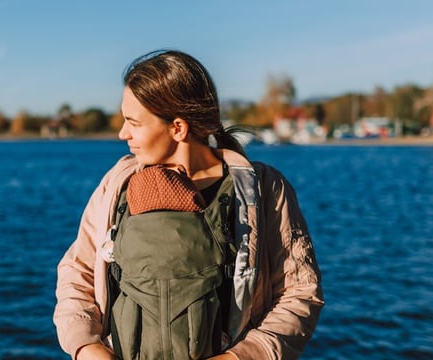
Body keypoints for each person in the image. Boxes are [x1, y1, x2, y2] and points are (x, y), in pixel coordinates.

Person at [54, 49, 324, 360]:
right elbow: (77, 273)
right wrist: (88, 349)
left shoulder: (264, 189)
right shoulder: (118, 182)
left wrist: (240, 357)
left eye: (133, 122)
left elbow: (300, 294)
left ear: (178, 128)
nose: (122, 133)